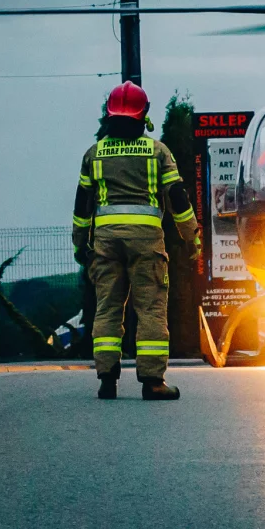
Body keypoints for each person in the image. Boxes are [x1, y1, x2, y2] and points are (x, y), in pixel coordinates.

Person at [72, 81, 201, 401]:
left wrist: (79, 243)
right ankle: (153, 381)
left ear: (109, 115)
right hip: (146, 243)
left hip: (105, 243)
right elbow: (177, 198)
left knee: (107, 307)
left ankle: (107, 378)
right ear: (143, 115)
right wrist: (191, 240)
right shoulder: (157, 151)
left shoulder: (95, 153)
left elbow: (82, 204)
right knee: (152, 307)